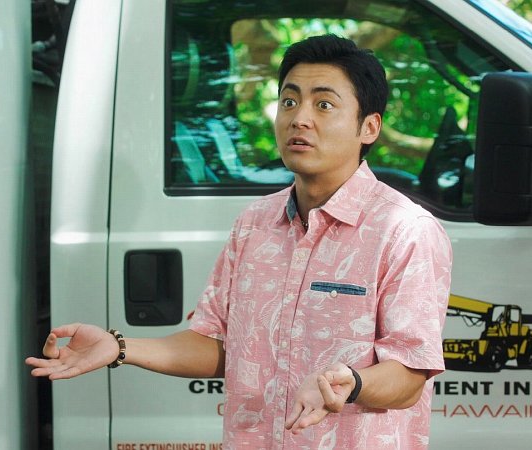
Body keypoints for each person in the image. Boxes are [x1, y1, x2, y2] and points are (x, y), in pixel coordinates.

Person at [26, 34, 452, 449]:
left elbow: (409, 377)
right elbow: (218, 345)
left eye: (324, 104)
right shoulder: (254, 224)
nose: (299, 118)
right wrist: (119, 347)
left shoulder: (403, 230)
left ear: (369, 127)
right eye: (289, 101)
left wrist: (351, 383)